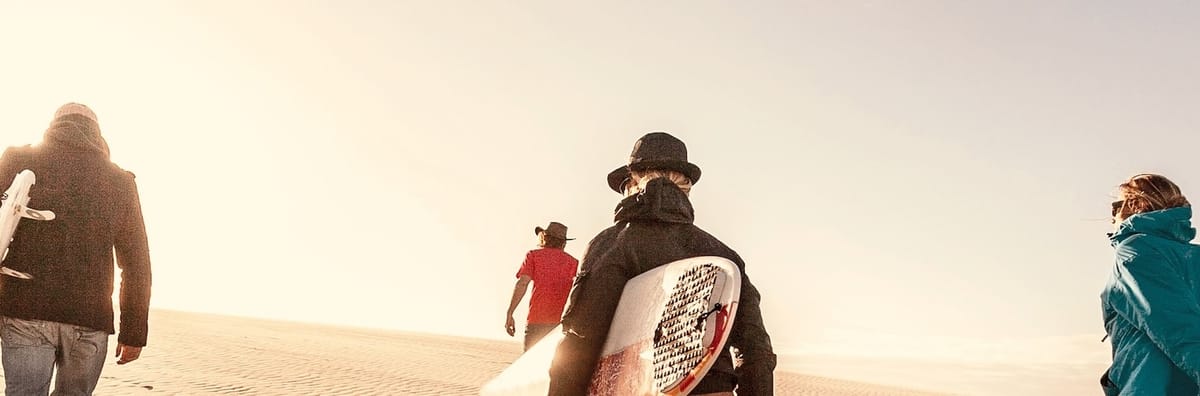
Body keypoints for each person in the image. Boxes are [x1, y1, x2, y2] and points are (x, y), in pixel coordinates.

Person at [548, 132, 775, 395]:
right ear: (686, 188)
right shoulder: (724, 256)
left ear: (634, 182)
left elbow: (580, 342)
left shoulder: (612, 243)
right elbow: (757, 349)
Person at [0, 103, 153, 395]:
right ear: (97, 132)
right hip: (89, 318)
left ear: (53, 124)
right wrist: (134, 331)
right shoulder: (121, 182)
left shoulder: (18, 158)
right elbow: (136, 262)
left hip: (25, 310)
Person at [1100, 173, 1200, 395]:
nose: (1112, 217)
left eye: (1115, 207)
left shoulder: (1135, 249)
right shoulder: (1194, 257)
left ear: (1136, 204)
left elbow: (1180, 327)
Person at [506, 221, 579, 351]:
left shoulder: (533, 256)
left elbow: (522, 283)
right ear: (563, 242)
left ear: (544, 237)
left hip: (536, 320)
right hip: (560, 324)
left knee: (529, 366)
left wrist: (510, 313)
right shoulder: (573, 263)